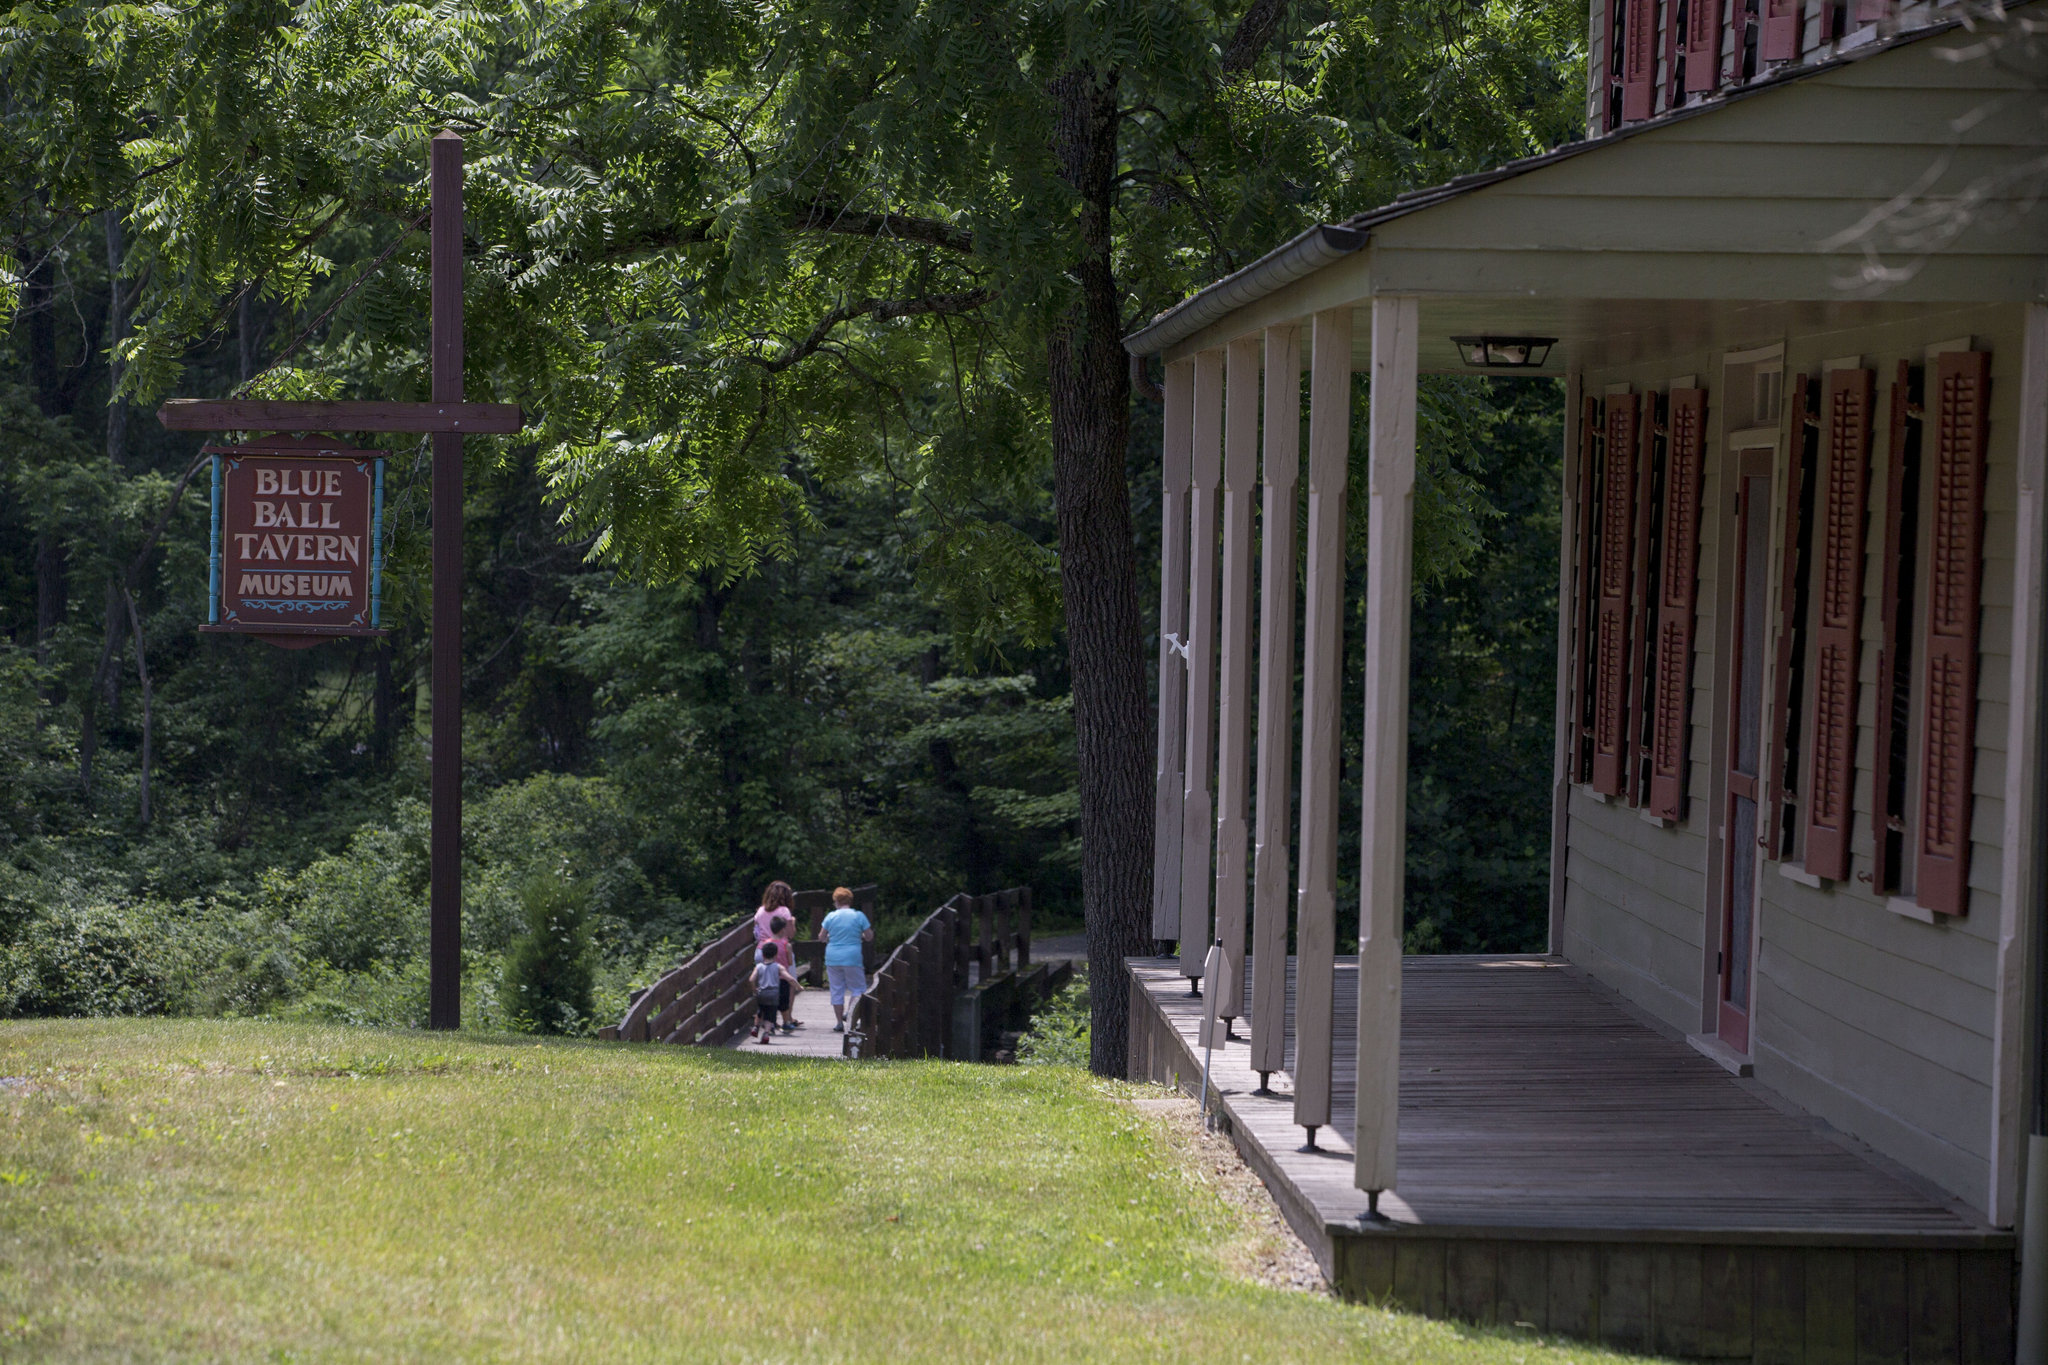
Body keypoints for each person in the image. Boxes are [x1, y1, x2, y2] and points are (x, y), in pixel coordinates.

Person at [817, 886, 873, 1033]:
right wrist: (859, 936)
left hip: (833, 957)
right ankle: (851, 1016)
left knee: (836, 990)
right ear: (850, 900)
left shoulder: (831, 916)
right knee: (858, 989)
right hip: (852, 957)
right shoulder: (859, 916)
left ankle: (838, 1023)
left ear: (836, 901)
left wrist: (830, 938)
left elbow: (821, 937)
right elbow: (869, 936)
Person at [751, 945, 796, 1045]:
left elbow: (751, 979)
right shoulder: (778, 966)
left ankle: (755, 1027)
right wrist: (798, 986)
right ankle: (766, 1033)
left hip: (761, 993)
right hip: (774, 994)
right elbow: (790, 978)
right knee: (770, 1015)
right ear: (776, 955)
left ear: (762, 955)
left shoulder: (759, 966)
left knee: (760, 1010)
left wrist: (754, 989)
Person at [769, 912, 803, 1033]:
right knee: (784, 1002)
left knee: (771, 1001)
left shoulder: (766, 943)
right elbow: (789, 962)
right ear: (783, 929)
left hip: (770, 977)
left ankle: (771, 1024)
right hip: (783, 977)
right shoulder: (786, 945)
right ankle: (786, 1022)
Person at [753, 880, 794, 946]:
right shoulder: (784, 911)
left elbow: (756, 933)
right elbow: (790, 934)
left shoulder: (760, 910)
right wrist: (793, 922)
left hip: (762, 949)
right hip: (779, 948)